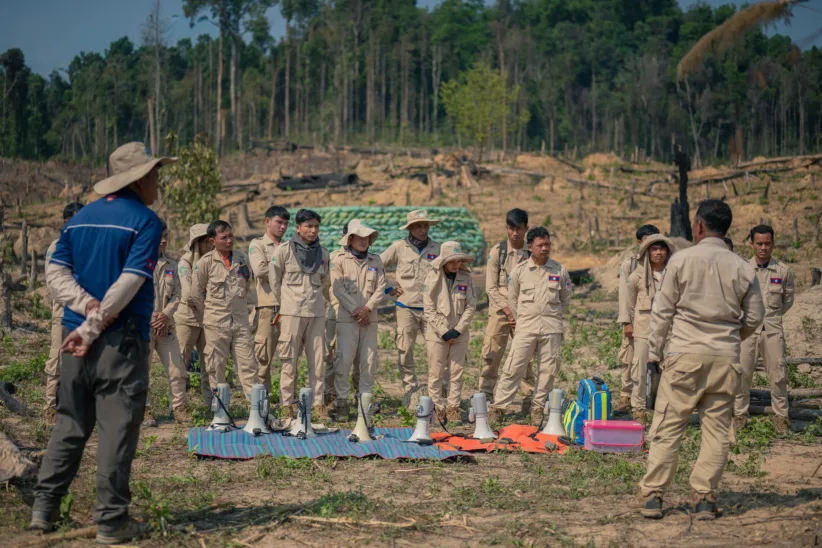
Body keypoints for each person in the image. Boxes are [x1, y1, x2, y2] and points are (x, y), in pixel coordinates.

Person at [31, 142, 170, 544]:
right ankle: (111, 522)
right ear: (140, 178)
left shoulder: (80, 219)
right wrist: (94, 325)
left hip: (74, 342)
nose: (158, 183)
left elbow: (54, 273)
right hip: (116, 345)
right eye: (155, 175)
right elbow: (129, 283)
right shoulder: (145, 221)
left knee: (70, 424)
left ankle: (45, 506)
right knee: (116, 428)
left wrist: (82, 311)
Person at [637, 199, 764, 521]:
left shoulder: (681, 261)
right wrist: (731, 339)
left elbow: (662, 312)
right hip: (725, 358)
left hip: (684, 355)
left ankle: (653, 495)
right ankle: (704, 498)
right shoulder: (743, 267)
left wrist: (654, 352)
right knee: (717, 431)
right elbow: (755, 318)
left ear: (698, 226)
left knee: (668, 426)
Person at [490, 227, 572, 426]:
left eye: (547, 244)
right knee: (513, 367)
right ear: (530, 247)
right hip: (526, 328)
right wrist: (523, 320)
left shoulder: (559, 270)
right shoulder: (519, 271)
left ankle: (537, 408)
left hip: (551, 328)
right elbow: (513, 299)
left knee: (548, 370)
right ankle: (499, 408)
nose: (545, 248)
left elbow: (565, 298)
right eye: (540, 245)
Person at [734, 225, 795, 434]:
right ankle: (740, 416)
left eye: (767, 243)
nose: (763, 248)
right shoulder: (742, 269)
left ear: (773, 244)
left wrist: (772, 318)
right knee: (741, 374)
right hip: (747, 332)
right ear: (751, 243)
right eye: (759, 243)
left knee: (778, 375)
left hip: (772, 331)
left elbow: (787, 301)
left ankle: (781, 418)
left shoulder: (783, 271)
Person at [270, 209, 331, 418]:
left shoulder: (323, 253)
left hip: (316, 313)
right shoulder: (284, 251)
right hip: (291, 313)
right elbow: (275, 281)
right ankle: (287, 403)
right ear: (298, 228)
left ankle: (318, 404)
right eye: (308, 226)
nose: (313, 231)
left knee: (318, 360)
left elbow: (325, 283)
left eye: (316, 227)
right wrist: (286, 304)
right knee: (289, 360)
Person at [190, 220, 259, 400]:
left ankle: (257, 412)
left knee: (248, 365)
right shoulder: (205, 262)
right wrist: (211, 312)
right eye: (224, 237)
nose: (229, 240)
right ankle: (221, 412)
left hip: (240, 322)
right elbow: (196, 293)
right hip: (216, 323)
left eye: (231, 236)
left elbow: (246, 284)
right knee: (216, 366)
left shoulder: (242, 258)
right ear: (213, 241)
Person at [380, 209, 441, 406]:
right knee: (405, 349)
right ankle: (410, 389)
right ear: (410, 228)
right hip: (405, 306)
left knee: (436, 350)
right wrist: (388, 287)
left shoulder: (437, 249)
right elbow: (375, 264)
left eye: (425, 225)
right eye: (418, 226)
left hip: (431, 308)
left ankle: (437, 391)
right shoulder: (399, 247)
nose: (423, 229)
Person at [478, 208, 537, 412]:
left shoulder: (531, 254)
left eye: (519, 229)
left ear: (526, 229)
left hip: (525, 313)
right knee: (492, 353)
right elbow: (490, 288)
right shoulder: (498, 251)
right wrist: (509, 311)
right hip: (500, 311)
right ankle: (486, 395)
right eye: (511, 228)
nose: (515, 233)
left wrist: (521, 313)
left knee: (525, 357)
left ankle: (528, 398)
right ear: (506, 228)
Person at [330, 219, 387, 419]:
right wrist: (356, 310)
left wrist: (367, 309)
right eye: (360, 237)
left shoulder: (376, 261)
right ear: (350, 238)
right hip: (347, 318)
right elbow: (337, 289)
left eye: (367, 237)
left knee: (369, 361)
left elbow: (380, 288)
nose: (364, 241)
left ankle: (364, 402)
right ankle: (342, 402)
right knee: (344, 361)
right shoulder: (339, 260)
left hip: (369, 319)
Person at [423, 241, 477, 424]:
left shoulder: (465, 277)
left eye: (458, 261)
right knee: (436, 372)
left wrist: (458, 330)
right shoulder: (432, 277)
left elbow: (471, 305)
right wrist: (444, 331)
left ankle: (453, 408)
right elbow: (428, 308)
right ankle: (437, 408)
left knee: (456, 372)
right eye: (452, 261)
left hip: (460, 333)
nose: (456, 264)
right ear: (443, 261)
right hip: (437, 333)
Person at [625, 235, 675, 424]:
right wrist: (628, 324)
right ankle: (638, 408)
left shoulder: (673, 275)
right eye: (654, 249)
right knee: (639, 370)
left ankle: (666, 409)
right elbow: (629, 305)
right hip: (644, 329)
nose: (658, 252)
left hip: (669, 331)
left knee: (670, 370)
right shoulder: (636, 277)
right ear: (647, 253)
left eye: (662, 249)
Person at [43, 201, 84, 424]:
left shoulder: (88, 247)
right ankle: (50, 407)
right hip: (64, 312)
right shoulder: (56, 247)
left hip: (84, 315)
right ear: (65, 222)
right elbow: (53, 284)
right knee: (57, 361)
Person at [146, 220, 188, 424]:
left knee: (176, 368)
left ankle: (178, 408)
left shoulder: (171, 264)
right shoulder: (137, 262)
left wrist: (165, 315)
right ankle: (143, 410)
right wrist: (152, 317)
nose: (163, 240)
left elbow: (178, 294)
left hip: (166, 326)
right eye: (159, 236)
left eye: (165, 236)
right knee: (141, 371)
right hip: (143, 327)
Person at [616, 224, 661, 413]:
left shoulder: (665, 265)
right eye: (647, 241)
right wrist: (627, 321)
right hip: (636, 317)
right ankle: (626, 396)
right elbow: (624, 294)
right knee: (630, 358)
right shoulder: (631, 264)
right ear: (639, 243)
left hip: (657, 321)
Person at [248, 206, 290, 393]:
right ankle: (260, 403)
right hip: (268, 307)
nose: (283, 227)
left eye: (286, 224)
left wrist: (276, 268)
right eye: (279, 222)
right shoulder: (257, 245)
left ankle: (286, 402)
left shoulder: (289, 246)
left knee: (289, 357)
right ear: (267, 222)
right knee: (263, 359)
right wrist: (285, 270)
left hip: (289, 307)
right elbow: (260, 271)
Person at [325, 222, 361, 413]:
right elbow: (325, 285)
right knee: (333, 356)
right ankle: (330, 395)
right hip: (336, 312)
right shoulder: (334, 258)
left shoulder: (367, 259)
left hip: (359, 314)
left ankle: (359, 397)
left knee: (358, 358)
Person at [175, 224, 213, 405]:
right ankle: (177, 404)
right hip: (188, 318)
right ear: (196, 243)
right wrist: (211, 303)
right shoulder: (185, 263)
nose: (210, 246)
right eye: (206, 242)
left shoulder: (214, 261)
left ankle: (210, 404)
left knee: (210, 362)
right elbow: (189, 294)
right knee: (181, 361)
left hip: (209, 319)